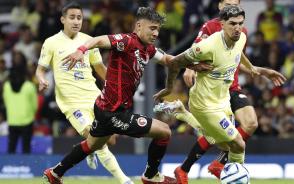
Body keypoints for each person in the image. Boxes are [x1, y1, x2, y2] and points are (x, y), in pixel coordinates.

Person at [42, 6, 212, 184]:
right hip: (113, 112)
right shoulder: (127, 41)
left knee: (92, 145)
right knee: (164, 131)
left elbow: (170, 60)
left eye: (158, 30)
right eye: (152, 28)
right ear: (139, 26)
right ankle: (151, 175)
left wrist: (192, 65)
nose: (155, 33)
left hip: (103, 107)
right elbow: (100, 40)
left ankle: (55, 173)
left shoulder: (148, 49)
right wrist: (81, 50)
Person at [155, 5, 285, 184]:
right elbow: (175, 62)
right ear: (221, 24)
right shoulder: (207, 46)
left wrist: (262, 71)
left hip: (222, 100)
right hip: (204, 103)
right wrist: (171, 86)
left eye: (240, 23)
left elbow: (239, 56)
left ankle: (183, 114)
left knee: (223, 142)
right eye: (232, 24)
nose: (237, 28)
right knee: (237, 144)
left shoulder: (242, 37)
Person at [36, 2, 131, 184]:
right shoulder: (51, 43)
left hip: (95, 97)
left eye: (79, 18)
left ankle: (88, 149)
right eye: (72, 17)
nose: (76, 21)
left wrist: (116, 88)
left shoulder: (89, 41)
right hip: (72, 103)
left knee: (110, 141)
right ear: (62, 19)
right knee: (94, 138)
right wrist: (42, 79)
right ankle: (125, 180)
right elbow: (40, 69)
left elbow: (100, 68)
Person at [3, 51, 37, 154]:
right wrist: (29, 115)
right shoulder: (29, 86)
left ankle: (8, 168)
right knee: (26, 148)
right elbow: (35, 106)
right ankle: (27, 168)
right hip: (27, 121)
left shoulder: (7, 86)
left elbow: (6, 102)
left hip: (12, 121)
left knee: (11, 148)